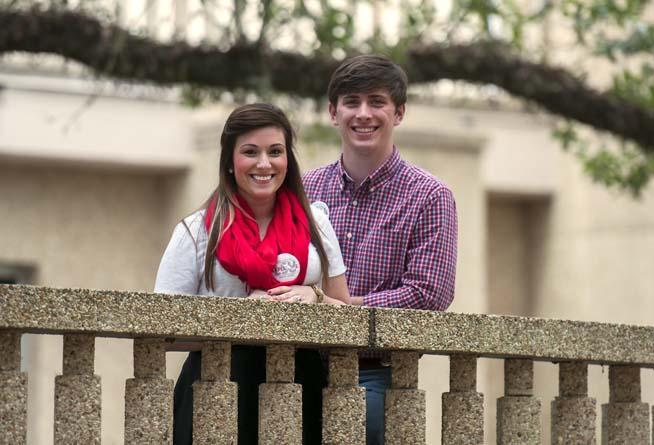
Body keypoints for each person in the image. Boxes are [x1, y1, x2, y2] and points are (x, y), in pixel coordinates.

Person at [154, 103, 351, 445]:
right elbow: (160, 330)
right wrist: (241, 318)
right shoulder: (197, 231)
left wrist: (316, 297)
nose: (264, 164)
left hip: (301, 387)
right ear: (229, 161)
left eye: (275, 151)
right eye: (250, 152)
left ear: (287, 159)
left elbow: (347, 316)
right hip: (216, 390)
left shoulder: (316, 223)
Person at [302, 54, 458, 444]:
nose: (363, 113)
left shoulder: (430, 196)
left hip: (376, 369)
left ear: (399, 112)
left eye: (377, 101)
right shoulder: (302, 192)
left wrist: (334, 307)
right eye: (352, 102)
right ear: (333, 112)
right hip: (297, 360)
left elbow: (427, 295)